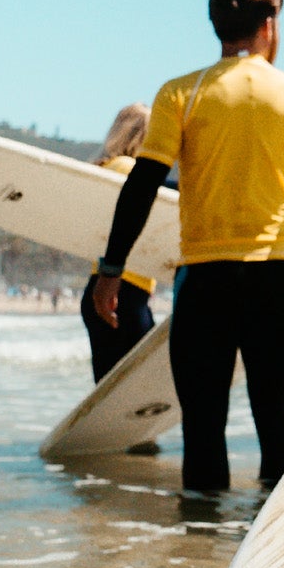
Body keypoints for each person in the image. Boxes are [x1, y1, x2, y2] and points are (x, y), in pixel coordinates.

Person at [91, 0, 284, 494]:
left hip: (204, 281)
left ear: (216, 26)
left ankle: (199, 559)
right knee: (276, 422)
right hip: (271, 280)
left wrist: (111, 270)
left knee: (203, 430)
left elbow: (142, 185)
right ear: (269, 25)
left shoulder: (183, 92)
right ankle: (274, 559)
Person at [82, 102, 158, 384]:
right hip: (123, 293)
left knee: (110, 394)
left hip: (101, 287)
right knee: (137, 399)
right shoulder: (130, 170)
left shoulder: (103, 169)